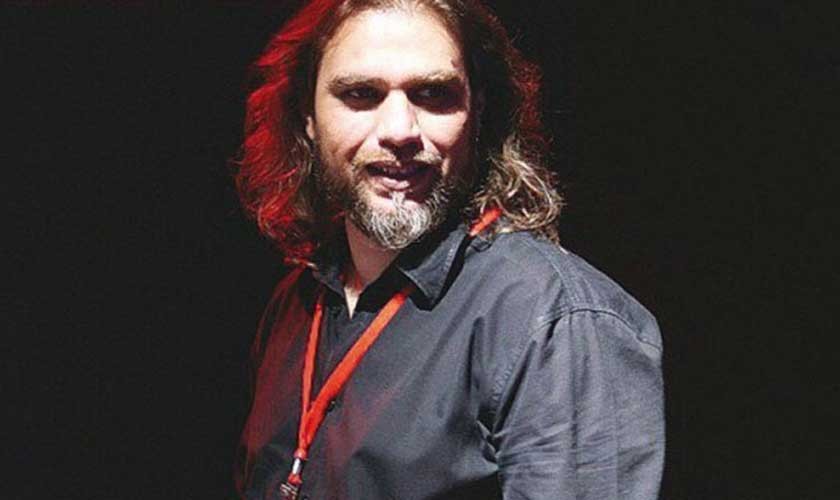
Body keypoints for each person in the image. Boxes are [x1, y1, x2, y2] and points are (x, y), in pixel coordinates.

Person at [233, 1, 664, 498]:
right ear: (308, 117)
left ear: (478, 111)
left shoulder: (553, 318)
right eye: (361, 95)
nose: (399, 130)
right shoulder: (297, 302)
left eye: (433, 94)